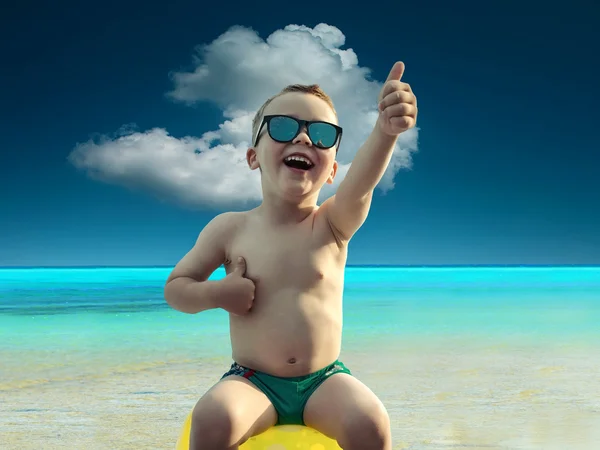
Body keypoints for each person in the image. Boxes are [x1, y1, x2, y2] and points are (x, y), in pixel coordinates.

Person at [164, 61, 418, 450]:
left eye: (321, 133)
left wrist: (385, 133)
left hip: (324, 380)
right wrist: (217, 294)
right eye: (283, 126)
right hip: (253, 380)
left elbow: (362, 183)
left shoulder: (333, 224)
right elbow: (177, 288)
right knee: (213, 418)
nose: (303, 139)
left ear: (332, 170)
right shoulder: (229, 229)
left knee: (371, 421)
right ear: (253, 157)